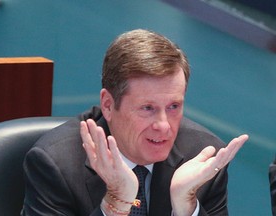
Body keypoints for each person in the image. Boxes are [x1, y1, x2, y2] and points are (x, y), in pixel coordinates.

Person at [21, 29, 248, 216]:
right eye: (147, 108)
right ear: (108, 105)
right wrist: (116, 204)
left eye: (173, 107)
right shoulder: (57, 165)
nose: (164, 125)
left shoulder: (203, 158)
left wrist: (186, 208)